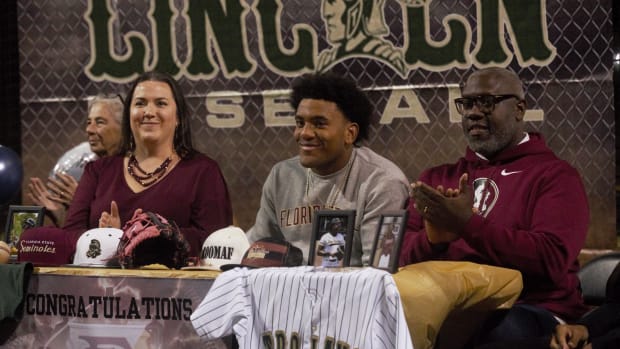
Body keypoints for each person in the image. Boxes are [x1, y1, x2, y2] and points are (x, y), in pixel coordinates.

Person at [399, 67, 590, 345]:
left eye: (487, 102)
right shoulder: (437, 178)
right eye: (467, 104)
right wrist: (432, 240)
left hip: (531, 308)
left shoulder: (555, 175)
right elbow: (399, 256)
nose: (474, 112)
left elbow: (551, 259)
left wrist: (468, 225)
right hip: (446, 306)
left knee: (490, 332)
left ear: (519, 109)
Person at [18, 71, 233, 264]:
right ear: (129, 115)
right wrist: (105, 238)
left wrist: (140, 236)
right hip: (101, 292)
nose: (149, 111)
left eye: (160, 103)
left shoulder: (203, 171)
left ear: (178, 117)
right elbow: (72, 235)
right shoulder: (98, 171)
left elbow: (215, 242)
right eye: (140, 103)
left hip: (175, 295)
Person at [247, 72, 409, 266]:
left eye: (319, 124)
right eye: (300, 123)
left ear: (350, 133)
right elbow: (259, 249)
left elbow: (379, 268)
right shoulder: (281, 176)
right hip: (289, 290)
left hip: (354, 292)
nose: (305, 133)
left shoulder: (384, 183)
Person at [27, 94, 123, 226]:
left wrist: (83, 203)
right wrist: (58, 213)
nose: (89, 129)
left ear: (124, 127)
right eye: (89, 122)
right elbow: (79, 239)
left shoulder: (133, 169)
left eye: (100, 122)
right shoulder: (88, 170)